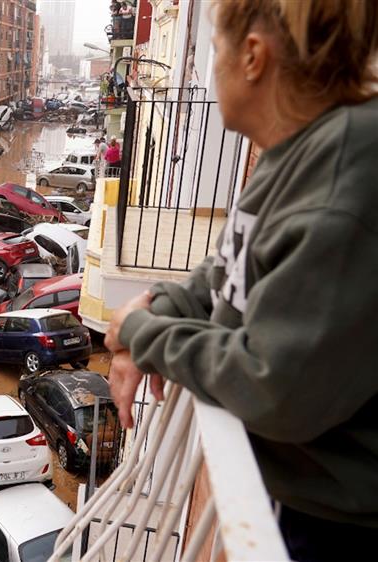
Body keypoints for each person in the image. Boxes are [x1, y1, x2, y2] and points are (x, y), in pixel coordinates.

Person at [103, 1, 378, 560]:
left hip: (337, 530)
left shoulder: (343, 178)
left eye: (216, 46)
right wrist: (154, 311)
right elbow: (224, 273)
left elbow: (274, 385)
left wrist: (147, 335)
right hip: (301, 502)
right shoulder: (294, 152)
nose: (214, 62)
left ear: (253, 55)